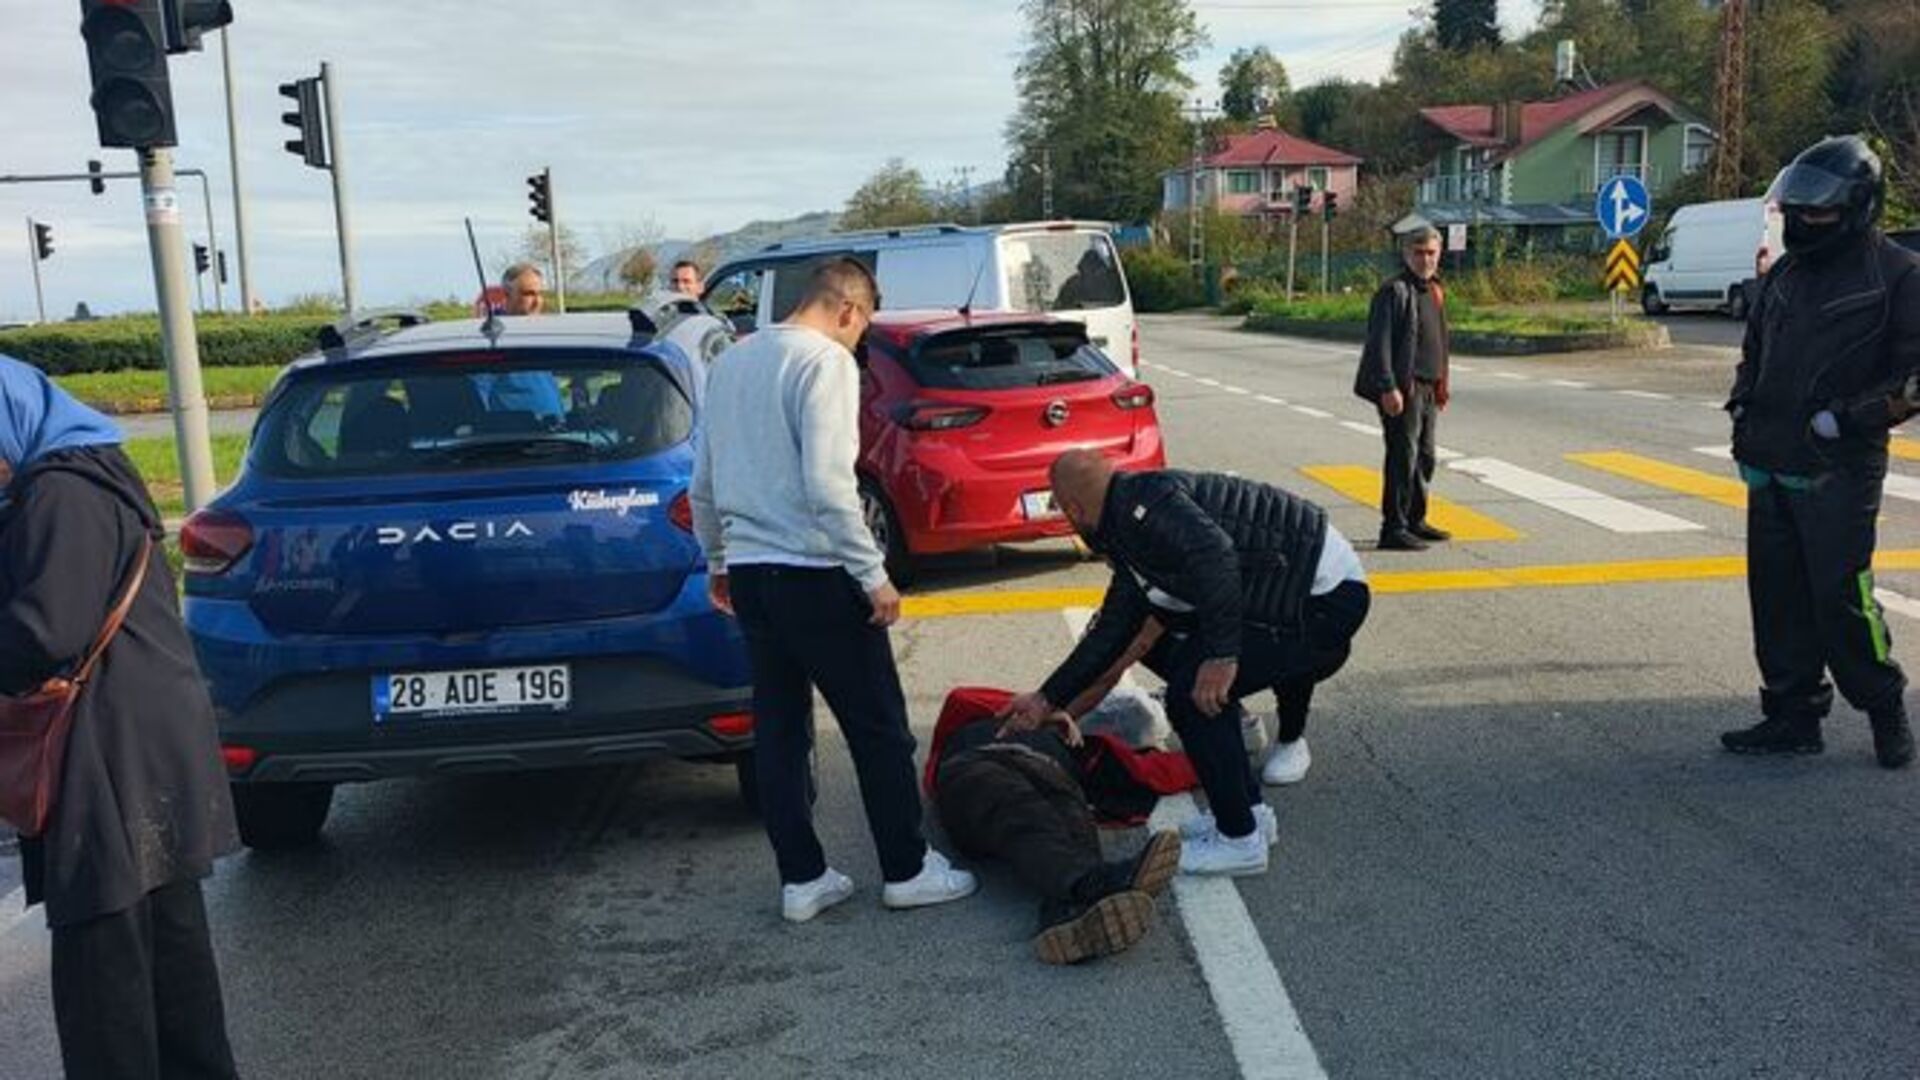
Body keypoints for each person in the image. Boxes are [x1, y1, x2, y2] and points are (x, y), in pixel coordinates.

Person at [690, 258, 976, 921]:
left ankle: (803, 880)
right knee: (878, 729)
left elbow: (703, 483)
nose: (860, 343)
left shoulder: (731, 362)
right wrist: (872, 574)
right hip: (816, 574)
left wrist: (717, 560)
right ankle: (907, 869)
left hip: (754, 575)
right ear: (847, 309)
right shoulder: (825, 364)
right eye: (864, 328)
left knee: (782, 732)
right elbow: (828, 484)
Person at [0, 355, 240, 1078]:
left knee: (104, 980)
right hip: (144, 744)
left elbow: (45, 632)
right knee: (169, 965)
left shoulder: (59, 495)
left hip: (105, 757)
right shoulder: (86, 476)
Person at [1000, 453, 1371, 877]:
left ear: (1073, 509)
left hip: (1324, 597)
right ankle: (1251, 816)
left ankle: (1239, 842)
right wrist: (1047, 698)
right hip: (1295, 589)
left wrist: (1221, 656)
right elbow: (1114, 630)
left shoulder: (1147, 510)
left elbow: (1216, 557)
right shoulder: (1128, 521)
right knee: (1196, 687)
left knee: (1193, 696)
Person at [1721, 135, 1920, 769]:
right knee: (1775, 595)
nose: (1806, 220)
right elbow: (1755, 353)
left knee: (1839, 596)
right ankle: (1792, 713)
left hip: (1840, 465)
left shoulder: (1898, 276)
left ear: (1859, 205)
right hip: (1771, 455)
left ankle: (1885, 706)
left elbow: (1914, 377)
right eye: (1798, 210)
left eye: (1820, 211)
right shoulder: (1785, 273)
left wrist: (1849, 418)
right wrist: (1743, 413)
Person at [925, 687, 1188, 965]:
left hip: (1052, 774)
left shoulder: (1087, 750)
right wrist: (1047, 711)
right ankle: (1096, 884)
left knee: (1074, 820)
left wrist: (1221, 763)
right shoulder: (1008, 717)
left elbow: (1158, 771)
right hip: (977, 764)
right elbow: (961, 698)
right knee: (1021, 809)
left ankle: (1066, 916)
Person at [1354, 224, 1453, 552]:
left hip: (1428, 387)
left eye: (1431, 253)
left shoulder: (1435, 289)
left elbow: (1439, 338)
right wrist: (1388, 387)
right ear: (1406, 254)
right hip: (1403, 389)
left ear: (1439, 254)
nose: (1426, 259)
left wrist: (1441, 384)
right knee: (1402, 456)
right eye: (1419, 253)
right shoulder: (1393, 291)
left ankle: (1415, 519)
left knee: (1425, 456)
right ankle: (1393, 527)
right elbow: (1378, 344)